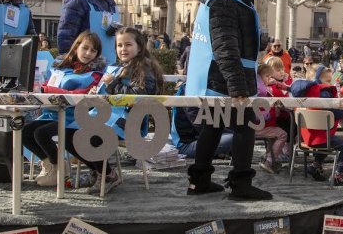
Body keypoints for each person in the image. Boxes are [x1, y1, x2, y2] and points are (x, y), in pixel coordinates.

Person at [184, 0, 272, 200]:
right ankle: (241, 183)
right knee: (245, 126)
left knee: (212, 126)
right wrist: (238, 87)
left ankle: (199, 181)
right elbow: (224, 44)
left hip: (216, 78)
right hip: (227, 79)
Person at [68, 27, 164, 193]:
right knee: (68, 134)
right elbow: (107, 94)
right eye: (119, 45)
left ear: (139, 47)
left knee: (91, 137)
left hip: (130, 120)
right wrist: (96, 92)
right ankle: (100, 172)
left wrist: (112, 84)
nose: (123, 49)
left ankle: (106, 174)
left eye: (128, 44)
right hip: (103, 115)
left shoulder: (145, 67)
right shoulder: (116, 67)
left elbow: (139, 96)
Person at [22, 31, 106, 186]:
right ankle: (52, 165)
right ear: (76, 48)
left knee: (41, 133)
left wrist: (47, 91)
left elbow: (82, 94)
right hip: (51, 114)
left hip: (74, 119)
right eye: (85, 48)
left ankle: (60, 168)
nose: (88, 53)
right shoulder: (59, 67)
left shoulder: (95, 74)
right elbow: (47, 86)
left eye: (93, 50)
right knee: (25, 132)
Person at [289, 65, 343, 185]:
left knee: (329, 141)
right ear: (318, 79)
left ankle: (315, 166)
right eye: (327, 80)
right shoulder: (324, 94)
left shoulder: (303, 94)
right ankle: (338, 175)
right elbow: (336, 112)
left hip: (306, 137)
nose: (330, 83)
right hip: (321, 138)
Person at [57, 0, 119, 64]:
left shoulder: (110, 3)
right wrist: (69, 61)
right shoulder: (77, 0)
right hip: (84, 64)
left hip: (108, 63)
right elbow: (66, 33)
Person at [170, 82, 233, 159]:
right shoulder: (190, 90)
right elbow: (201, 125)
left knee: (240, 134)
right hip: (186, 145)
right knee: (236, 136)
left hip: (198, 138)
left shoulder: (205, 88)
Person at [255, 63, 289, 174]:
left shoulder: (260, 88)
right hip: (259, 126)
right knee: (283, 134)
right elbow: (260, 111)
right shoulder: (261, 91)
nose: (270, 79)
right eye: (267, 76)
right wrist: (273, 111)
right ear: (260, 77)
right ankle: (268, 160)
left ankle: (267, 157)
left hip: (261, 125)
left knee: (275, 136)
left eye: (271, 76)